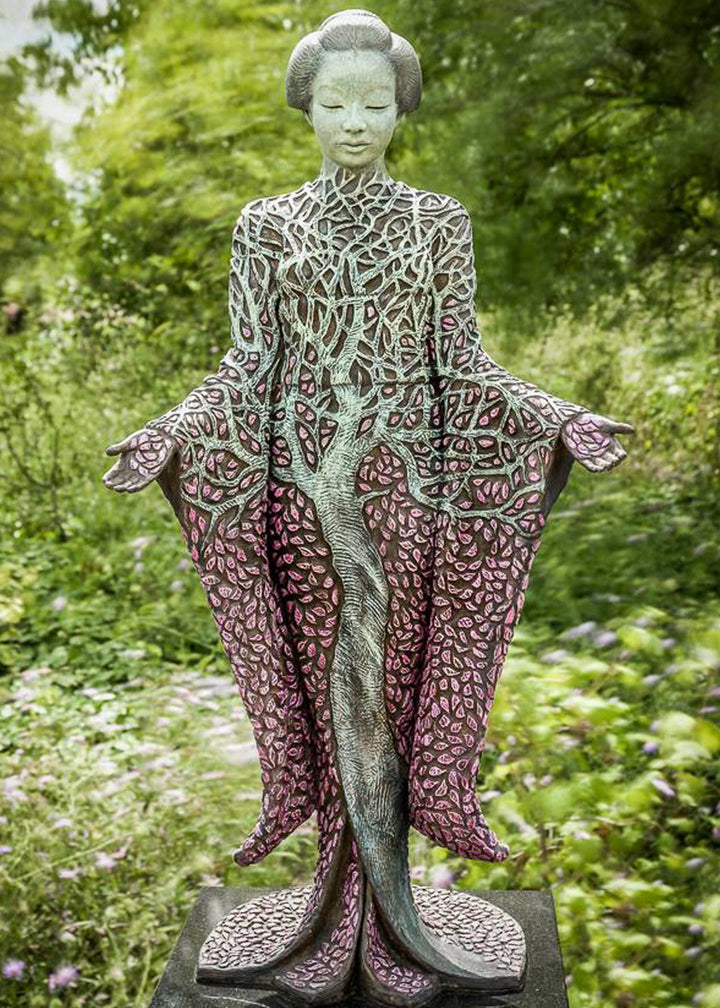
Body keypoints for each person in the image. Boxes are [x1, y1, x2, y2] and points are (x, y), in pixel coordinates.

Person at [103, 9, 632, 1004]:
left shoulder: (437, 223)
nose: (356, 123)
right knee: (329, 689)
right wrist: (169, 433)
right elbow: (247, 369)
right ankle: (336, 911)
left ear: (399, 109)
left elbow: (463, 366)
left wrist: (560, 418)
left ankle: (393, 920)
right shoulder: (267, 226)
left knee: (388, 690)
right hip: (303, 504)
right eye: (337, 104)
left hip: (406, 500)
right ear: (307, 107)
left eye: (375, 105)